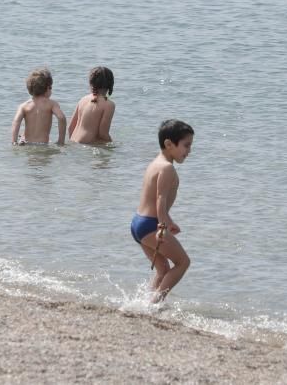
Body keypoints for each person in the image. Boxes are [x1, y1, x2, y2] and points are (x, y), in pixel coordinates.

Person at [130, 119, 195, 302]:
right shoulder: (167, 168)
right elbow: (160, 199)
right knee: (183, 262)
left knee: (162, 269)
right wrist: (161, 226)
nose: (189, 151)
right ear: (168, 144)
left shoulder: (155, 163)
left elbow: (155, 200)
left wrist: (168, 220)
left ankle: (143, 302)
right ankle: (154, 303)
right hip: (151, 225)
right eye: (186, 145)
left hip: (139, 223)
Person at [11, 68, 66, 145]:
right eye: (51, 88)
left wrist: (14, 141)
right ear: (47, 88)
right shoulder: (52, 104)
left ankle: (21, 140)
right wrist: (61, 141)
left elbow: (16, 122)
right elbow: (61, 118)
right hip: (43, 144)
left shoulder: (23, 106)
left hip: (27, 143)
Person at [68, 66, 115, 144]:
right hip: (86, 144)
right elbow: (103, 134)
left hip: (73, 140)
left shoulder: (83, 99)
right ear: (110, 84)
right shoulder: (109, 105)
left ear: (91, 83)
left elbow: (70, 128)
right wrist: (112, 144)